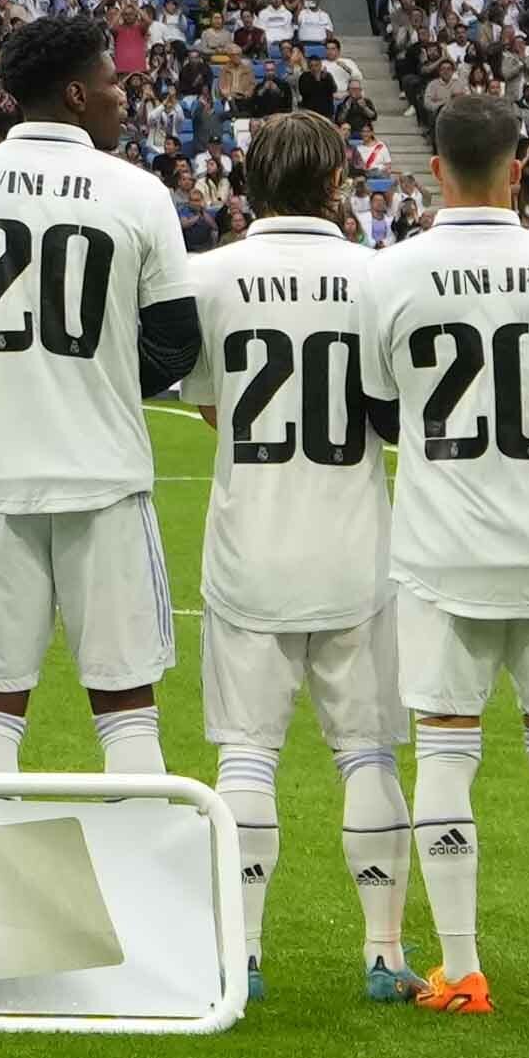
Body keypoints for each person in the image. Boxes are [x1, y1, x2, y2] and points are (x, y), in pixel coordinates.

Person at [358, 93, 529, 1016]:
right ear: (519, 166)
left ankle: (463, 969)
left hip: (441, 549)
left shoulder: (388, 273)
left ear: (434, 170)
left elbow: (383, 413)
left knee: (444, 752)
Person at [0, 17, 200, 779]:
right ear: (74, 94)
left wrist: (13, 375)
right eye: (112, 82)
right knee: (127, 708)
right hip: (103, 475)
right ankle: (140, 887)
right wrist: (89, 376)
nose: (123, 96)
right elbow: (174, 341)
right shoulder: (137, 192)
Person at [181, 108, 410, 1002]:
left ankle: (241, 955)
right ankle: (384, 954)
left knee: (245, 756)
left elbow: (210, 407)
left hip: (251, 546)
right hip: (354, 544)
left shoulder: (211, 276)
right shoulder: (378, 276)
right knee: (368, 757)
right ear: (336, 186)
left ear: (250, 184)